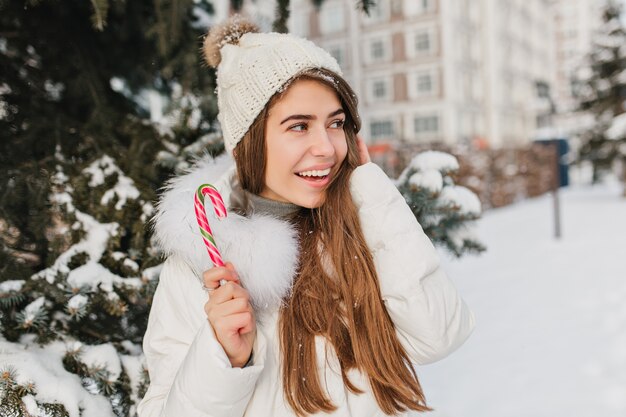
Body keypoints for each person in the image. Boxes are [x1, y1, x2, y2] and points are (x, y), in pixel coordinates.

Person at [138, 15, 474, 417]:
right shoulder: (201, 264)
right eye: (299, 126)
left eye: (336, 124)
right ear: (249, 140)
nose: (328, 148)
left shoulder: (360, 228)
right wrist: (224, 357)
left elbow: (439, 336)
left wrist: (372, 193)